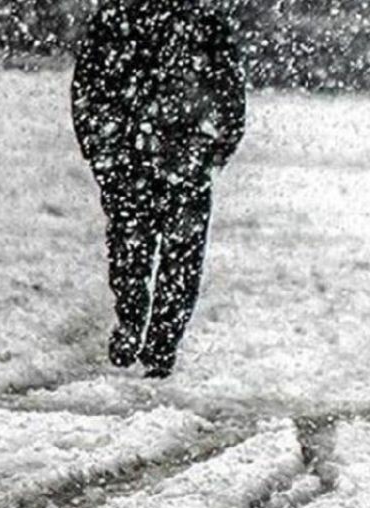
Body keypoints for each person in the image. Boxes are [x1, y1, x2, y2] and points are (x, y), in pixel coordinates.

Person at [71, 0, 245, 377]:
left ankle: (140, 328)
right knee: (175, 256)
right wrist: (216, 147)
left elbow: (87, 87)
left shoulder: (118, 18)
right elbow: (230, 92)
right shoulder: (201, 22)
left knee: (133, 247)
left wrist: (99, 145)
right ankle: (156, 341)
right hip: (173, 155)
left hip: (142, 154)